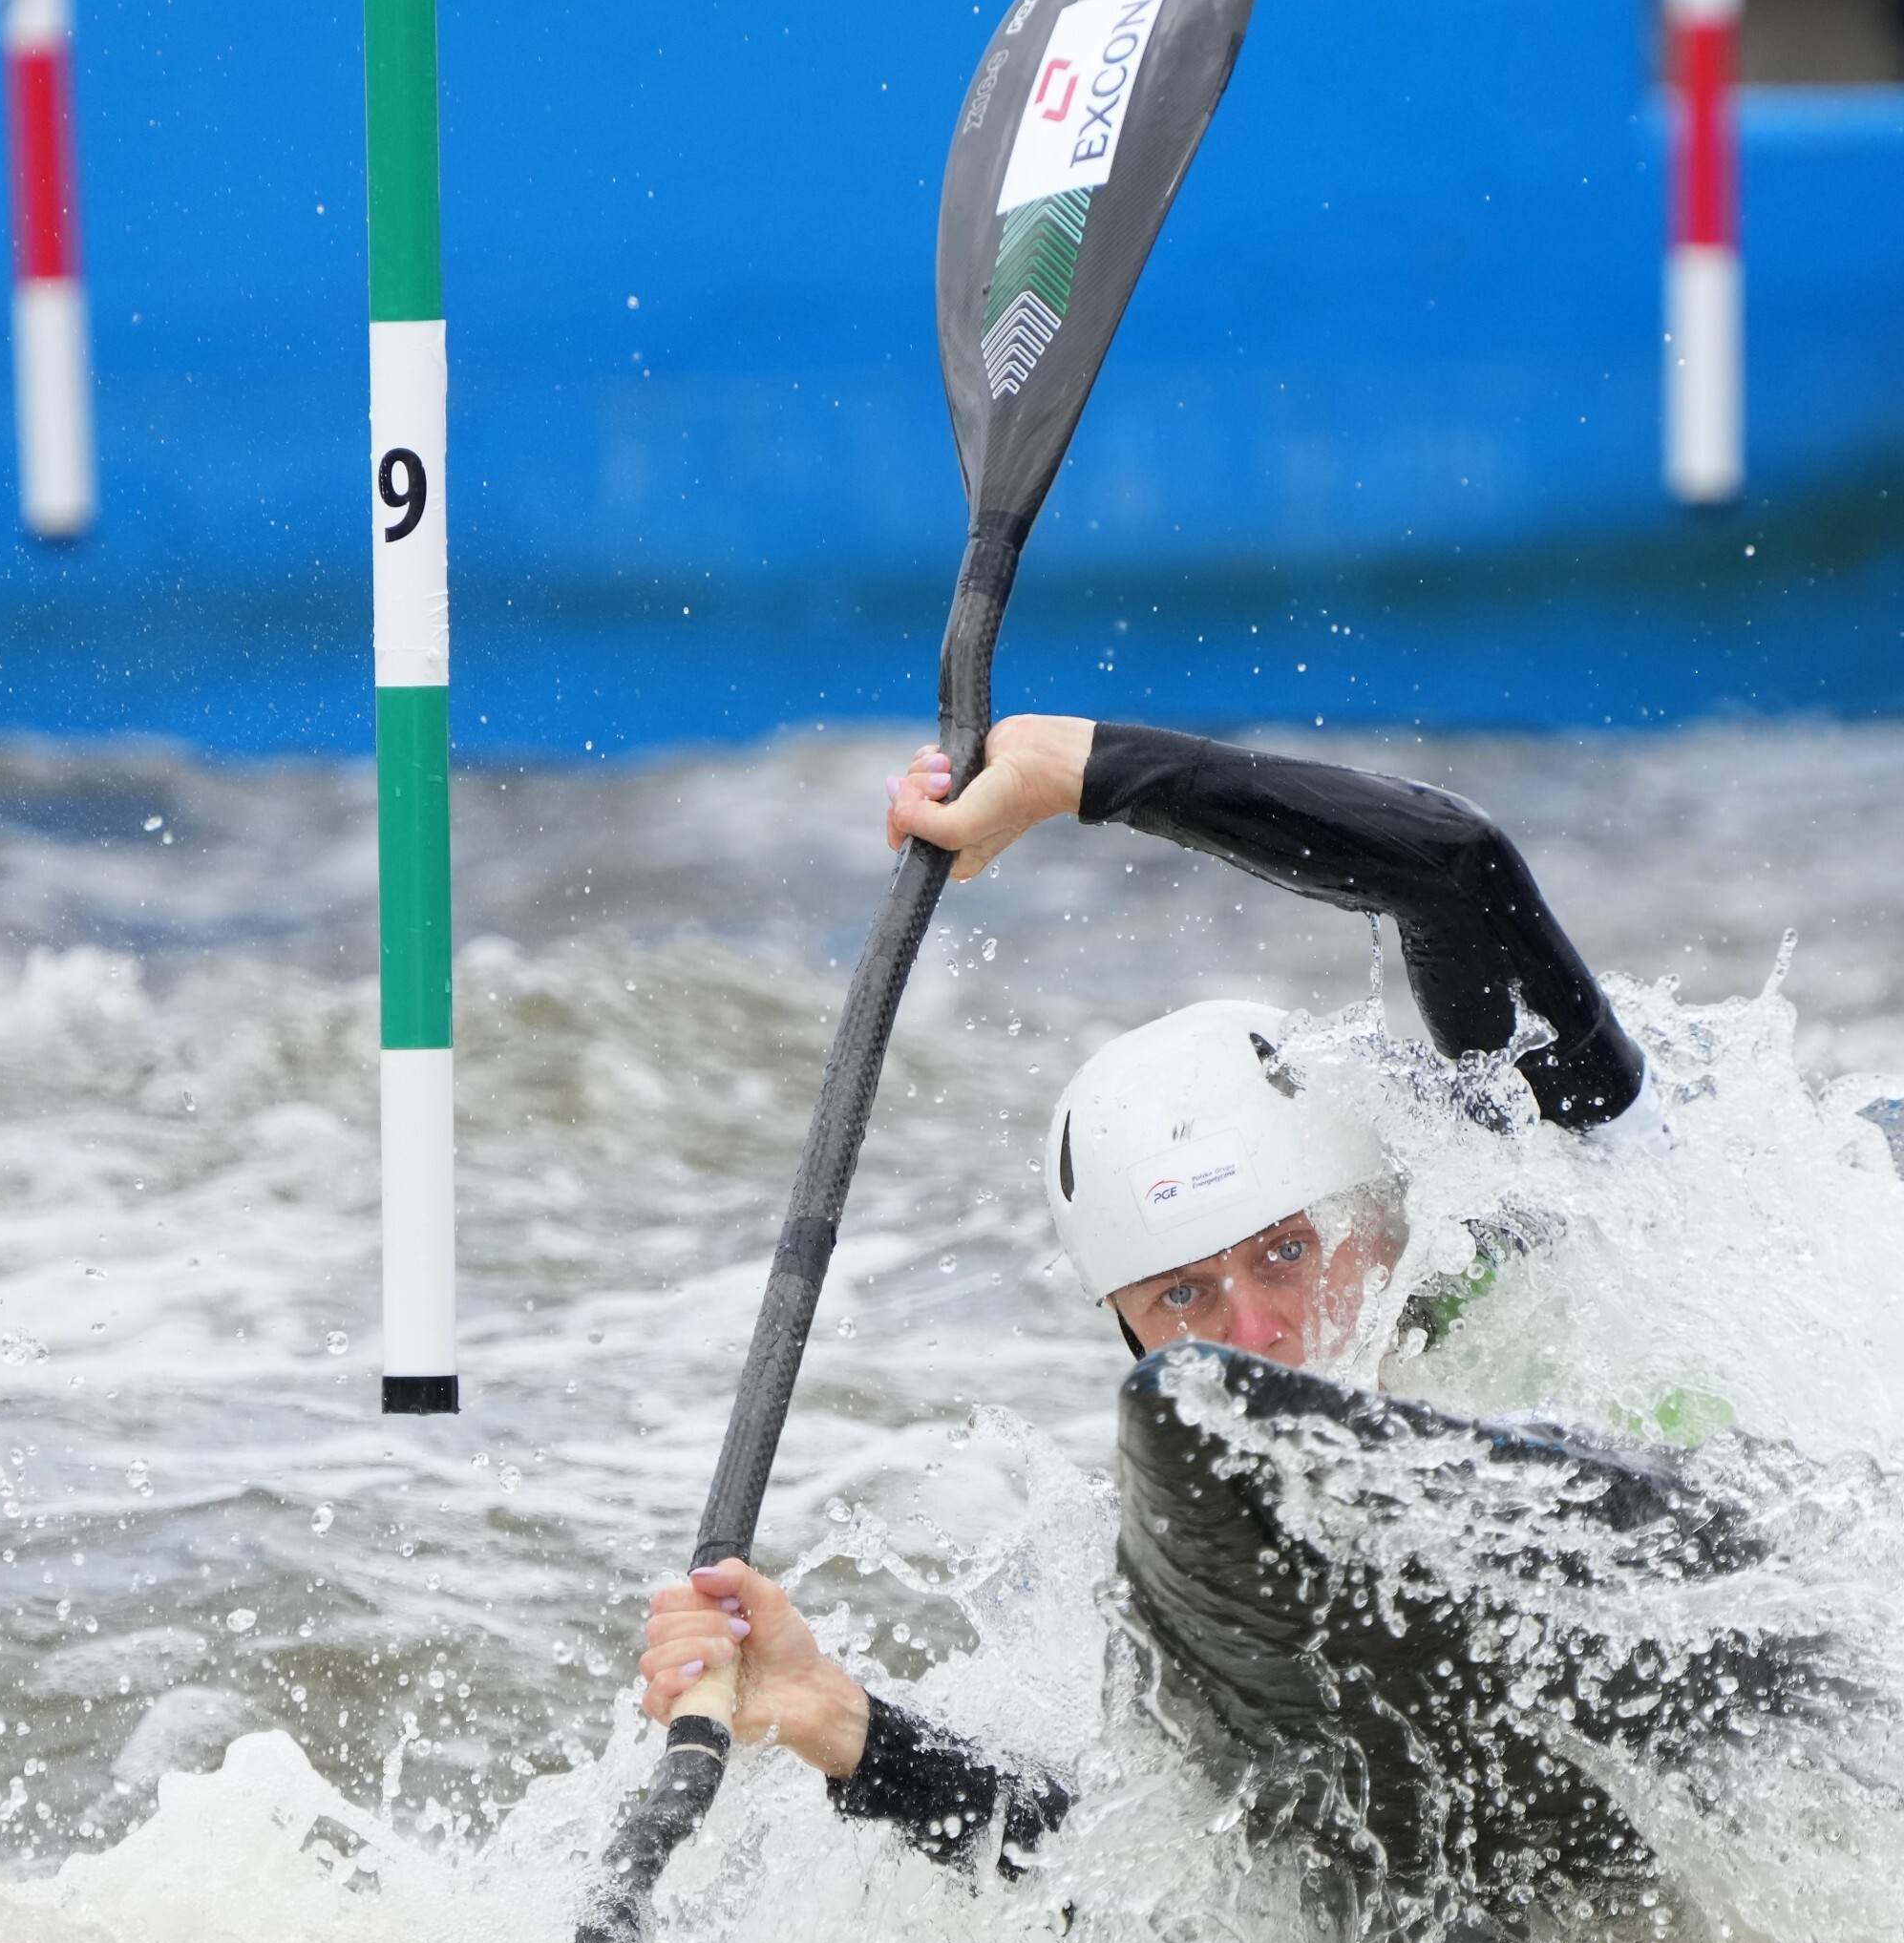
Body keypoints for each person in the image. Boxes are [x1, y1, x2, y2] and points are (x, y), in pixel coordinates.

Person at [638, 713, 1650, 1878]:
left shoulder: (1576, 1222)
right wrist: (839, 1722)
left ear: (1383, 1227)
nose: (1249, 1336)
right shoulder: (1201, 1583)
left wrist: (1080, 772)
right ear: (1125, 1326)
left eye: (1286, 1251)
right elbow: (1137, 1876)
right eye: (1180, 1296)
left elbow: (1454, 868)